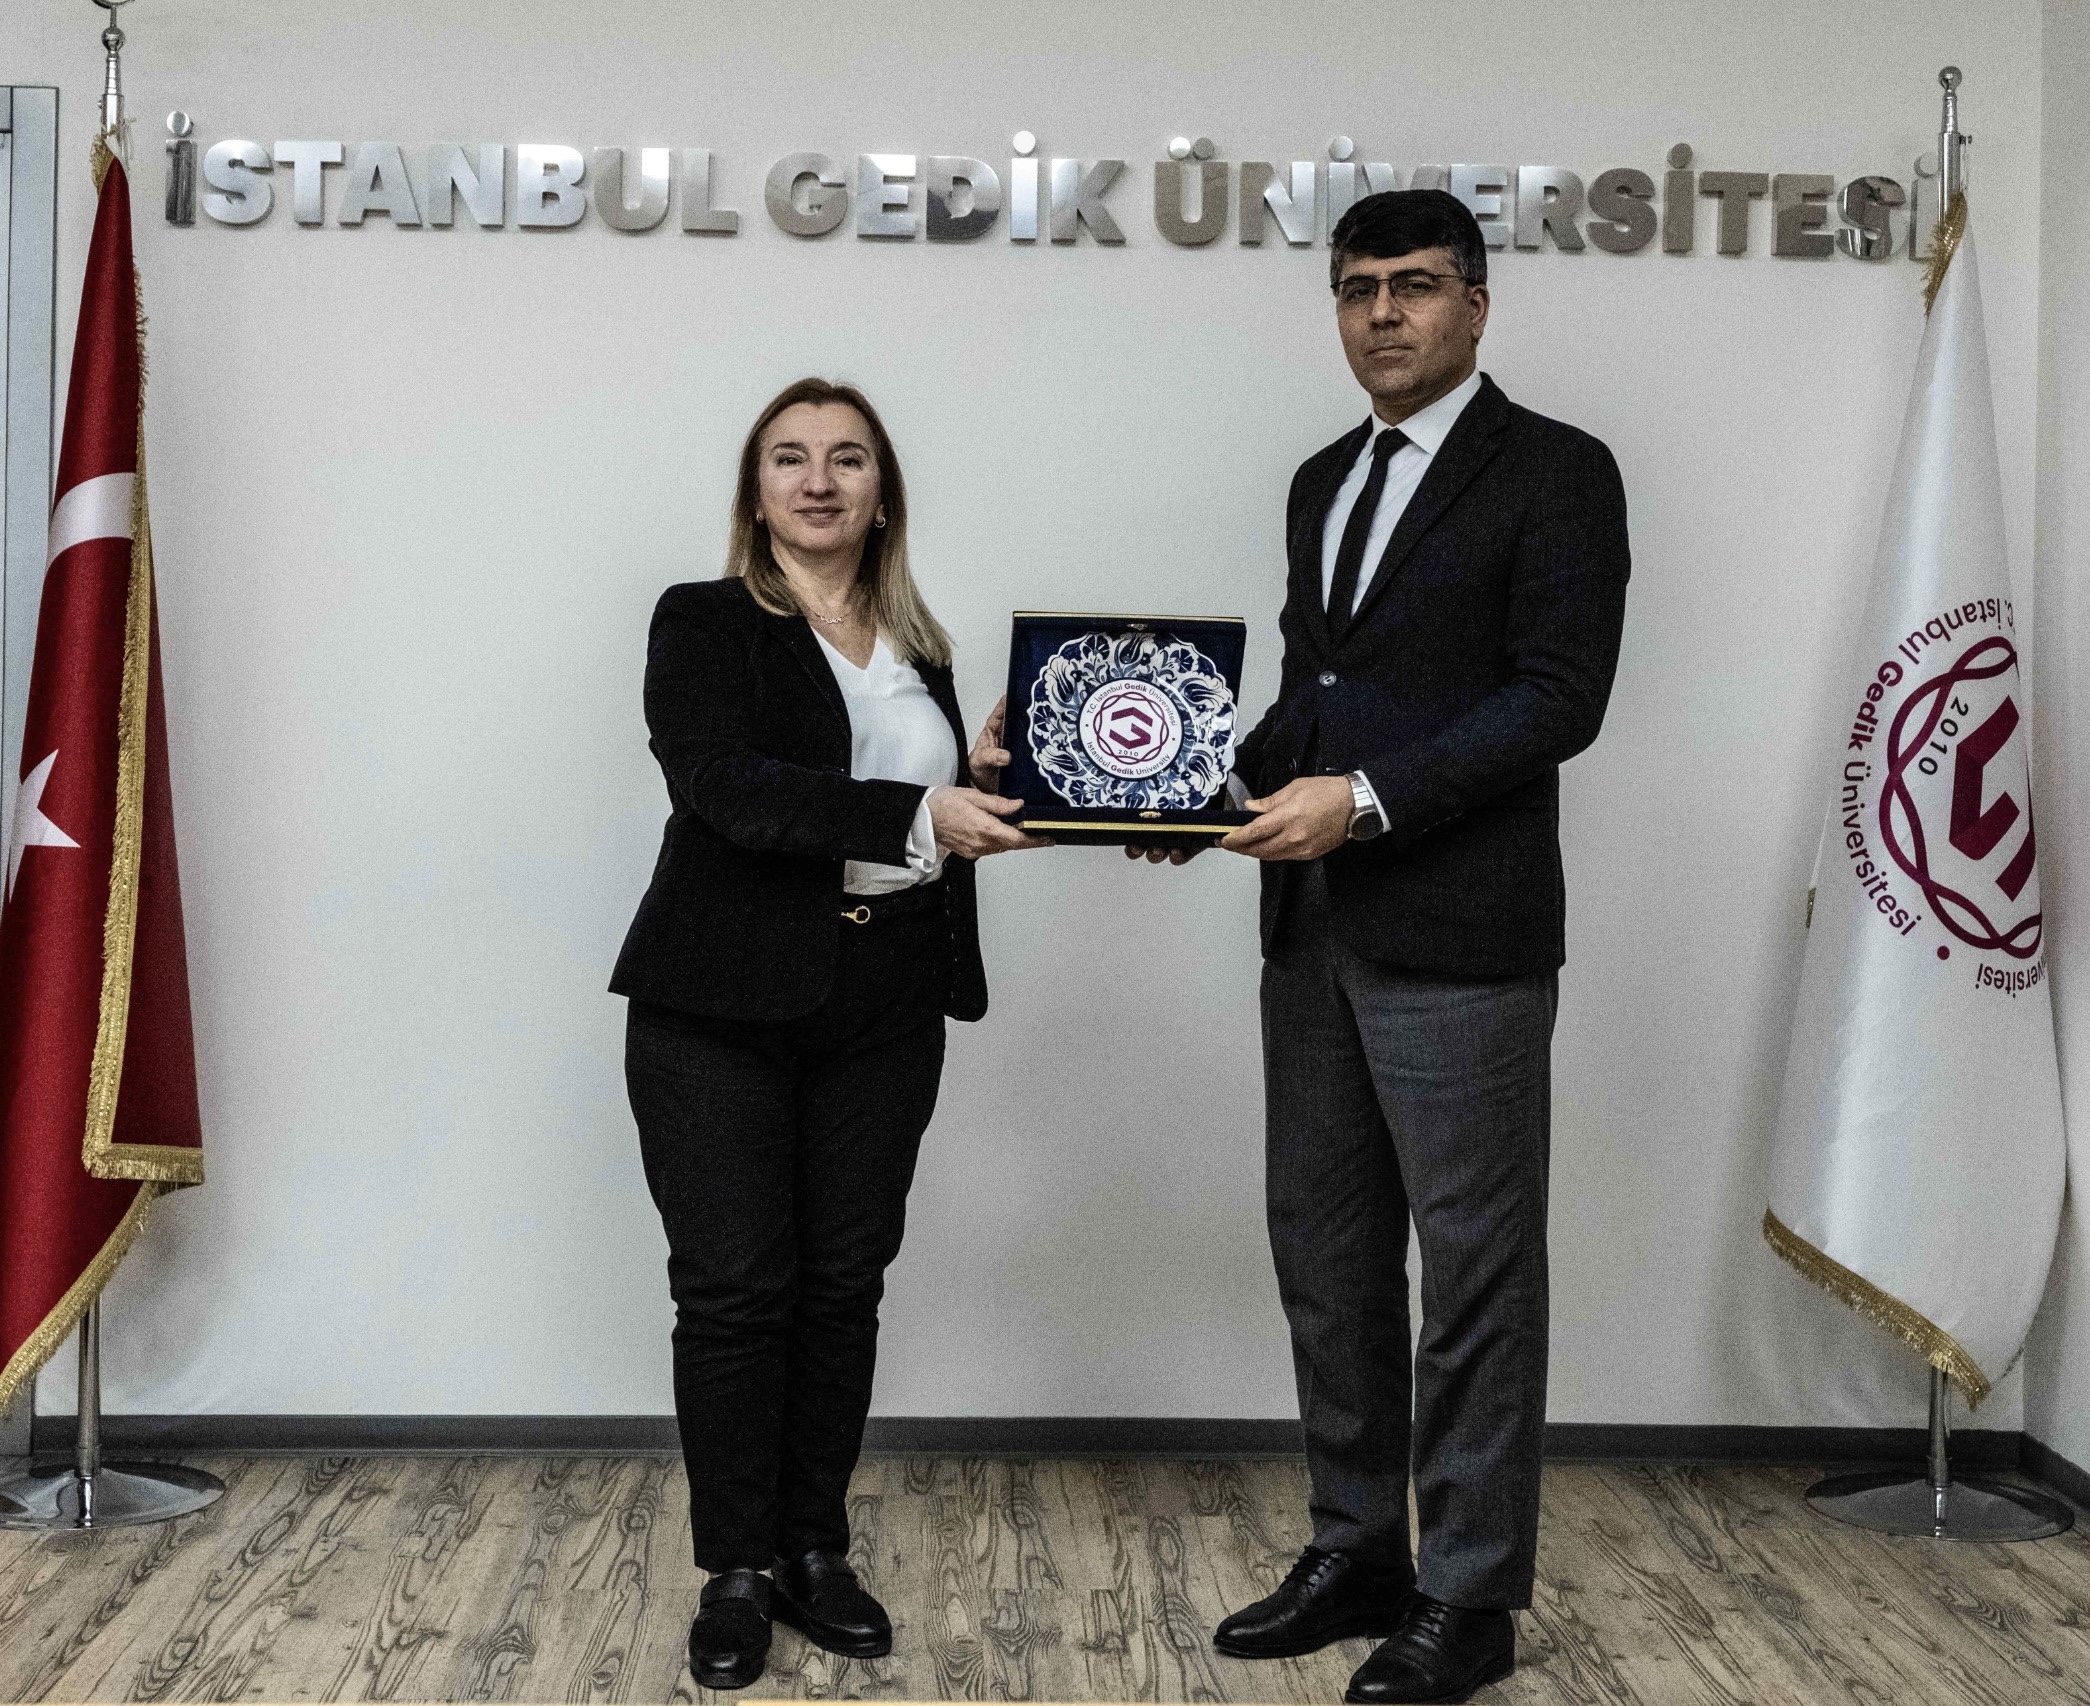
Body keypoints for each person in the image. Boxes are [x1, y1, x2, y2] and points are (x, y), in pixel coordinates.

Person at [1135, 190, 1630, 1703]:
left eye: (1414, 285)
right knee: (1328, 1259)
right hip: (1314, 937)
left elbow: (1557, 698)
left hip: (1463, 938)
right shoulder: (1321, 480)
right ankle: (1356, 1548)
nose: (1383, 313)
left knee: (1473, 1275)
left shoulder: (1557, 471)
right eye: (1357, 288)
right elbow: (1317, 693)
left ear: (1476, 304)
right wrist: (1186, 790)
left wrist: (1357, 801)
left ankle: (1468, 1596)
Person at [610, 378, 1044, 1691]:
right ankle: (737, 1570)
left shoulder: (919, 644)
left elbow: (934, 807)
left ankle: (812, 1549)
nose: (818, 479)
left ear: (880, 493)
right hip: (717, 1006)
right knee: (735, 1291)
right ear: (755, 494)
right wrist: (918, 816)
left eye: (847, 458)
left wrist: (989, 779)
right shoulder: (702, 622)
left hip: (886, 1001)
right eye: (789, 458)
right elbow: (728, 789)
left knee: (844, 1284)